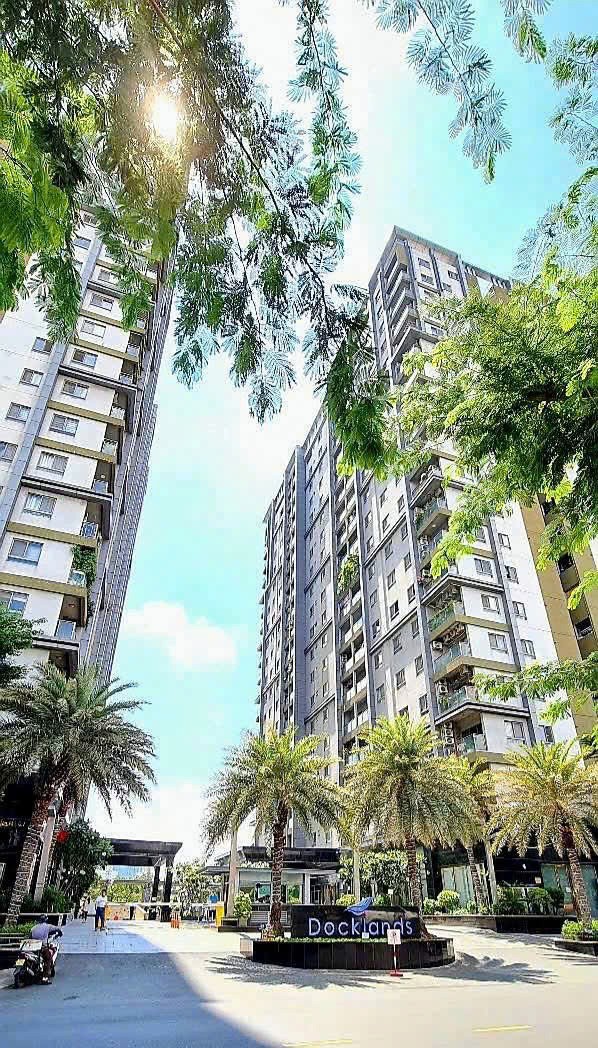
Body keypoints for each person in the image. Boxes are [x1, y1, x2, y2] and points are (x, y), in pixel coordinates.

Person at [30, 915, 63, 983]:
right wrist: (60, 933)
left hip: (32, 948)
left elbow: (30, 937)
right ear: (46, 920)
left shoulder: (33, 928)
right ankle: (45, 978)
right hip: (42, 947)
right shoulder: (48, 926)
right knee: (48, 959)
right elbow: (57, 929)